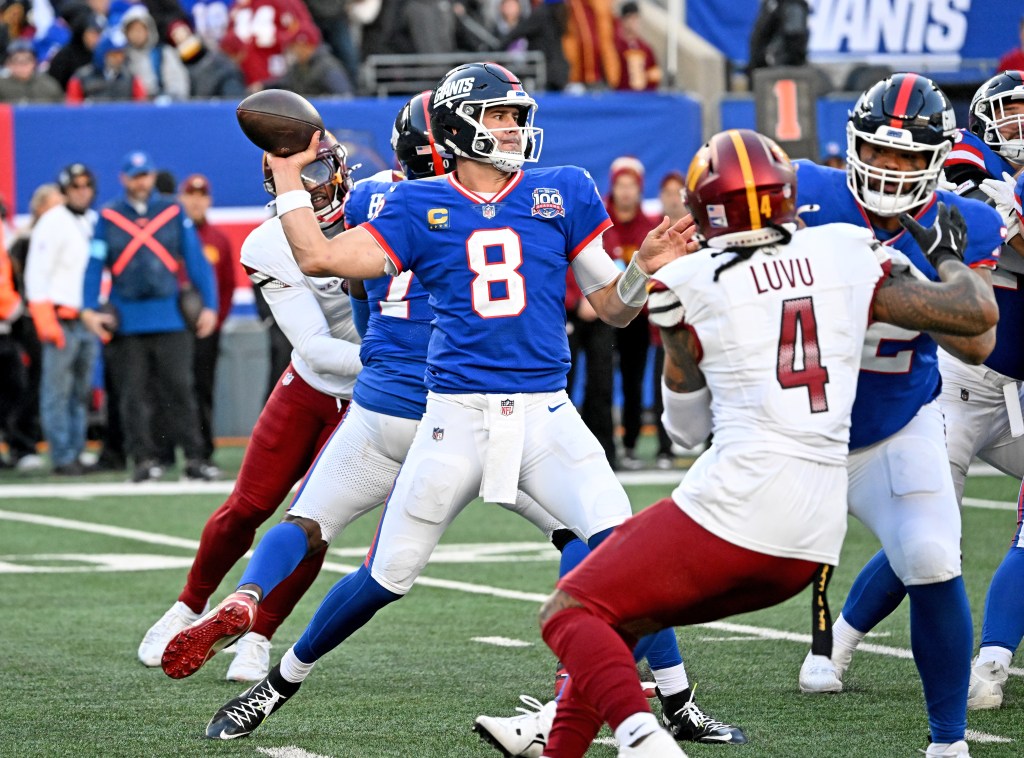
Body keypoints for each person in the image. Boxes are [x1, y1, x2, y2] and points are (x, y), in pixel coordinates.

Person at [179, 63, 700, 743]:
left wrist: (641, 267)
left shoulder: (563, 189)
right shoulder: (410, 205)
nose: (515, 127)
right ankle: (278, 683)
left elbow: (612, 309)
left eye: (518, 114)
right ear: (459, 126)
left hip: (545, 413)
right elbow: (316, 258)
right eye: (499, 115)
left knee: (622, 554)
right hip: (453, 418)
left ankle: (601, 714)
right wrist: (284, 176)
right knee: (384, 577)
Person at [537, 127, 998, 758]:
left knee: (574, 611)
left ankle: (642, 736)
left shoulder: (688, 283)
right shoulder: (847, 249)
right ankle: (563, 744)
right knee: (625, 616)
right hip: (811, 530)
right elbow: (974, 318)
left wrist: (681, 337)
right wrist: (947, 259)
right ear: (790, 201)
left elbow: (684, 431)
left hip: (745, 501)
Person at [790, 74, 1004, 758]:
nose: (892, 169)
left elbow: (976, 339)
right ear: (852, 147)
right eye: (881, 152)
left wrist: (933, 261)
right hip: (788, 428)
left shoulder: (963, 220)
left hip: (893, 428)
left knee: (933, 555)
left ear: (938, 158)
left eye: (911, 157)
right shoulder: (801, 192)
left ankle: (948, 744)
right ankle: (632, 683)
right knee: (686, 562)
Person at [137, 134, 361, 680]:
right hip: (311, 383)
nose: (312, 186)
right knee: (248, 506)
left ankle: (258, 636)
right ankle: (187, 607)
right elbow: (312, 347)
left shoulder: (381, 211)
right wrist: (399, 365)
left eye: (318, 171)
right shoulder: (268, 243)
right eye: (297, 177)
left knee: (313, 522)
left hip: (370, 403)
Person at [936, 70, 1024, 710]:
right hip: (961, 379)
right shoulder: (969, 151)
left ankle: (992, 659)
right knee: (928, 533)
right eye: (1011, 113)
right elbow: (965, 194)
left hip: (1017, 382)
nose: (1019, 124)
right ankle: (835, 644)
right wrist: (1003, 201)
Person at [80, 150, 218, 483]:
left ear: (153, 177)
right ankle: (143, 459)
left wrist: (210, 305)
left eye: (146, 175)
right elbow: (95, 264)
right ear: (124, 179)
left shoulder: (172, 211)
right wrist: (87, 308)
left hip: (170, 317)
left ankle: (195, 458)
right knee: (133, 396)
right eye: (136, 176)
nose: (142, 182)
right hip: (126, 320)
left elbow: (195, 260)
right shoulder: (109, 216)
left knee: (182, 391)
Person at [23, 163, 99, 475]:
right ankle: (62, 453)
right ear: (65, 190)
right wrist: (44, 320)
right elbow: (36, 272)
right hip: (60, 316)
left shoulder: (92, 220)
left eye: (85, 185)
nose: (81, 191)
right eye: (75, 186)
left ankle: (77, 450)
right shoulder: (52, 221)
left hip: (85, 319)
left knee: (80, 391)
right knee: (57, 390)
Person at [177, 174, 236, 466]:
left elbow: (226, 287)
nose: (196, 201)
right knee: (171, 388)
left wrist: (216, 320)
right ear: (182, 198)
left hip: (206, 331)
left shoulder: (218, 240)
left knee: (202, 388)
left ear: (209, 200)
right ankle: (168, 450)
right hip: (174, 330)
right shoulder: (172, 236)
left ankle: (202, 450)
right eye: (190, 195)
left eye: (201, 195)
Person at [604, 156, 658, 470]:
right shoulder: (600, 220)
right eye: (621, 185)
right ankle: (602, 444)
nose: (626, 192)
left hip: (638, 315)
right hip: (603, 311)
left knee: (633, 382)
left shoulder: (649, 228)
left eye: (631, 186)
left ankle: (631, 444)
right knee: (601, 383)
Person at [119, 3, 190, 100]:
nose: (137, 34)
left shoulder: (163, 53)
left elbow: (179, 87)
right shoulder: (123, 56)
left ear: (149, 30)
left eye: (140, 29)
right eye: (132, 30)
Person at [748, 0, 810, 73]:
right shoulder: (771, 4)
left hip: (782, 68)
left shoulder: (792, 5)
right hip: (763, 67)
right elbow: (759, 37)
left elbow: (795, 38)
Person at [612, 1, 659, 92]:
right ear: (623, 20)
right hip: (621, 97)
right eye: (631, 18)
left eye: (636, 18)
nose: (635, 23)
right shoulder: (616, 47)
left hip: (641, 100)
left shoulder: (646, 48)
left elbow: (654, 77)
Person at [0, 38, 64, 103]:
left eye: (27, 60)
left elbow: (61, 109)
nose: (22, 65)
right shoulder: (1, 86)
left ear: (34, 62)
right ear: (8, 64)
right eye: (16, 61)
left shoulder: (49, 85)